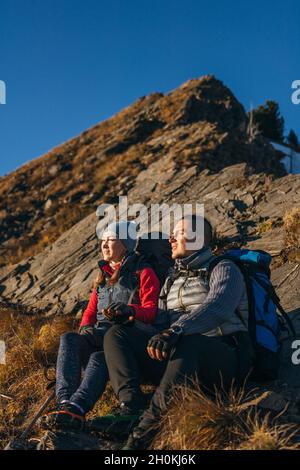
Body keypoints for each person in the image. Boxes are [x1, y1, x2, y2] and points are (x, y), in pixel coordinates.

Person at [103, 215, 255, 449]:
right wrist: (131, 321)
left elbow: (218, 307)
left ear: (199, 239)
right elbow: (159, 327)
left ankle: (145, 431)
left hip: (223, 360)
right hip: (179, 362)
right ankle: (131, 408)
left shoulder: (223, 267)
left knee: (190, 341)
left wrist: (177, 330)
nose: (171, 238)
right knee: (117, 333)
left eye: (180, 232)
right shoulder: (171, 280)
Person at [40, 220, 162, 430]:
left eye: (111, 240)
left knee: (99, 357)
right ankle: (65, 402)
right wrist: (85, 328)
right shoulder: (103, 276)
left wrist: (131, 310)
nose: (104, 245)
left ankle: (77, 408)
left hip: (124, 341)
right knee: (69, 338)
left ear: (126, 244)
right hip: (99, 335)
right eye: (103, 240)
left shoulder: (143, 273)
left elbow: (151, 312)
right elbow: (90, 311)